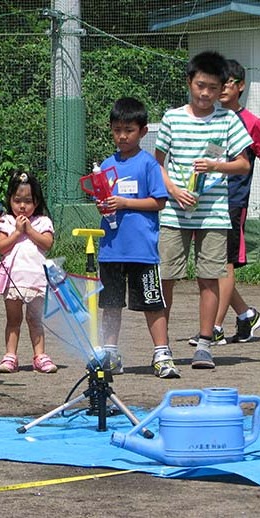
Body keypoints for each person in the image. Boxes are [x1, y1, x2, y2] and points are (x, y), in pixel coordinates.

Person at [155, 51, 252, 369]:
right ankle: (162, 348)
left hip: (213, 214)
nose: (206, 93)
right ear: (189, 82)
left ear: (223, 87)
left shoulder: (228, 120)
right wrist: (172, 190)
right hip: (174, 213)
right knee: (165, 276)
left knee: (209, 277)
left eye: (212, 87)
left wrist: (215, 165)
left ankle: (205, 343)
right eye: (200, 85)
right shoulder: (172, 118)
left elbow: (243, 164)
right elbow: (156, 164)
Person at [95, 97, 179, 379]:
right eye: (117, 129)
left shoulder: (148, 165)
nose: (122, 136)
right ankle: (110, 353)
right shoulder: (106, 164)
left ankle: (162, 354)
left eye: (128, 130)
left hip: (142, 250)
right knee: (110, 303)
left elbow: (159, 202)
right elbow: (104, 199)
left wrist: (125, 203)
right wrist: (105, 204)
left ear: (143, 131)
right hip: (111, 249)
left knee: (153, 304)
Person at [189, 59, 260, 346]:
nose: (220, 89)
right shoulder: (215, 121)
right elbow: (212, 158)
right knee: (211, 265)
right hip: (208, 202)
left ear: (239, 86)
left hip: (233, 202)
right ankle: (245, 314)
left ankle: (214, 327)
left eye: (226, 82)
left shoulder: (251, 123)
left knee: (224, 264)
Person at [0, 172, 56, 374]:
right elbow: (1, 247)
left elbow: (47, 244)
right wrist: (17, 232)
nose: (22, 206)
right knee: (13, 320)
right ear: (10, 200)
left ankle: (40, 355)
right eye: (17, 200)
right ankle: (10, 355)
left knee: (35, 319)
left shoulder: (42, 221)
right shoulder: (6, 222)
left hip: (36, 280)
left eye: (28, 201)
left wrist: (29, 231)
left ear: (36, 202)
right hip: (13, 281)